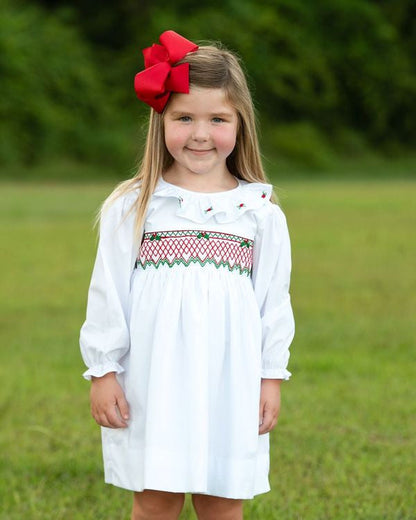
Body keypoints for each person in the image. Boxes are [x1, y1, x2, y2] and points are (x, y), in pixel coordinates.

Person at [80, 30, 295, 520]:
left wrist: (270, 378)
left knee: (223, 499)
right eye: (184, 118)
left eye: (217, 118)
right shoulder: (133, 206)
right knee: (155, 499)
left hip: (231, 379)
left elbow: (273, 304)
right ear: (161, 122)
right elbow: (108, 293)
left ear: (240, 123)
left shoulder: (258, 212)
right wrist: (103, 370)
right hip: (153, 379)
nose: (200, 133)